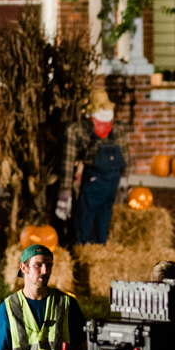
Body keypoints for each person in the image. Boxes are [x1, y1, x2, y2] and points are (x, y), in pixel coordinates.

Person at [55, 88, 130, 245]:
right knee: (95, 214)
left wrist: (65, 190)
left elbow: (125, 153)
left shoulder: (112, 129)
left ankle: (91, 247)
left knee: (93, 214)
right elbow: (68, 162)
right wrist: (65, 192)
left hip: (103, 181)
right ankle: (93, 246)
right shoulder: (83, 130)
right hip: (103, 180)